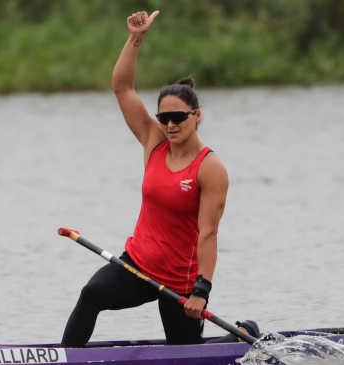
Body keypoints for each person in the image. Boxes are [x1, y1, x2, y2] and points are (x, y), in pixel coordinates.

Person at [61, 10, 231, 348]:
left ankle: (246, 334)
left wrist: (202, 290)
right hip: (138, 266)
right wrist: (135, 38)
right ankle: (65, 358)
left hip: (179, 281)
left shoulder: (210, 168)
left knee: (185, 352)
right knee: (91, 294)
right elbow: (122, 87)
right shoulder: (155, 142)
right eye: (164, 118)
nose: (170, 125)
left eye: (178, 117)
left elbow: (209, 234)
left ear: (196, 116)